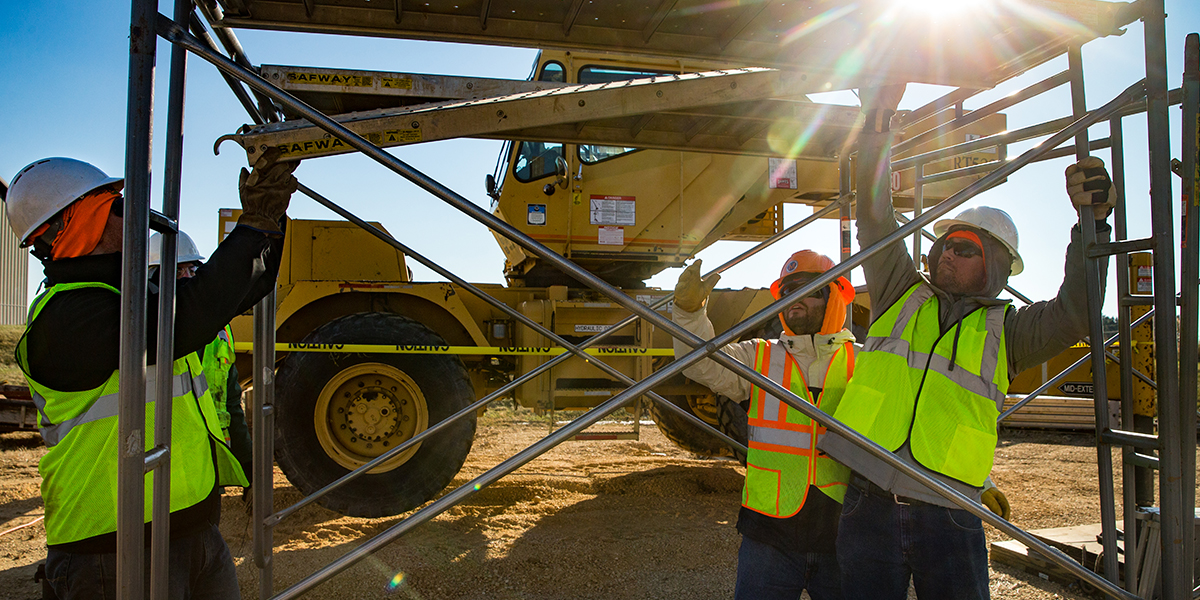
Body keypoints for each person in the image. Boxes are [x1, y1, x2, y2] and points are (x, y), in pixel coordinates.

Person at [820, 85, 1116, 600]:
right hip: (867, 500)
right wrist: (877, 127)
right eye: (942, 246)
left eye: (963, 248)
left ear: (996, 266)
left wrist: (1092, 223)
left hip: (951, 513)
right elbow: (874, 215)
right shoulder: (900, 294)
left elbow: (1077, 312)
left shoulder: (1010, 330)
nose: (945, 256)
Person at [8, 149, 298, 599]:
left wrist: (270, 220)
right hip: (112, 547)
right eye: (113, 205)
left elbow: (244, 289)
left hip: (194, 527)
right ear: (70, 225)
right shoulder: (65, 318)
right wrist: (252, 223)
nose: (129, 215)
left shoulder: (130, 294)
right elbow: (186, 318)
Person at [672, 250, 857, 600]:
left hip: (843, 534)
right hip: (770, 535)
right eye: (786, 292)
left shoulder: (862, 362)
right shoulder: (759, 357)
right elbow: (701, 364)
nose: (793, 299)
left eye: (806, 288)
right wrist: (688, 314)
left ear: (833, 295)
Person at [150, 230, 254, 485]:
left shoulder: (219, 331)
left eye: (192, 270)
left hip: (206, 466)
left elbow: (230, 405)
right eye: (178, 271)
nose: (188, 278)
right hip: (160, 470)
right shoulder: (142, 331)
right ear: (153, 277)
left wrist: (249, 467)